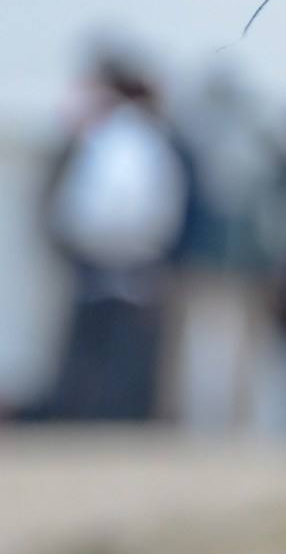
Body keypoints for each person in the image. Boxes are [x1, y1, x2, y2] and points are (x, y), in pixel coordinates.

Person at [40, 51, 191, 422]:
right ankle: (107, 410)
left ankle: (92, 410)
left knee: (102, 343)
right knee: (118, 344)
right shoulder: (143, 135)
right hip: (130, 254)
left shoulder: (111, 135)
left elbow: (88, 202)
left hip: (106, 252)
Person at [167, 67, 286, 431]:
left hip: (250, 265)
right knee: (193, 344)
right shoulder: (189, 143)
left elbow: (274, 213)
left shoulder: (263, 147)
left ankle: (241, 419)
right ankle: (188, 418)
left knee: (250, 349)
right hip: (203, 261)